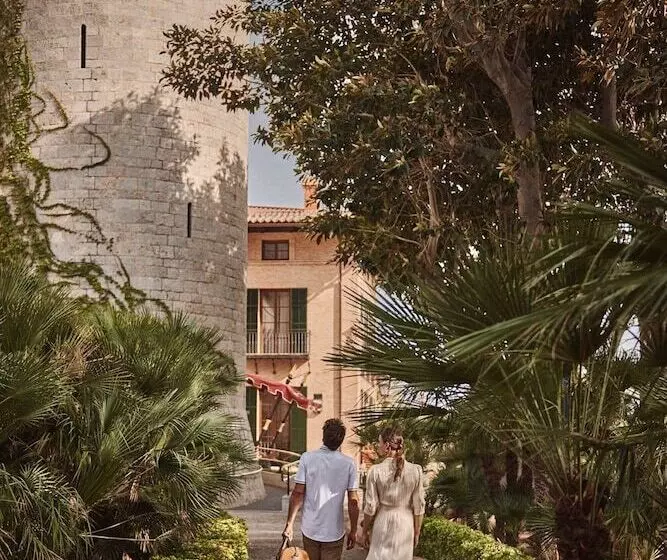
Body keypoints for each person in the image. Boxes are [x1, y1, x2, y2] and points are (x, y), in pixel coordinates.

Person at [283, 418, 360, 560]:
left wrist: (289, 524)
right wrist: (353, 530)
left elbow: (298, 493)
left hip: (310, 528)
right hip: (334, 531)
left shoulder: (307, 458)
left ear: (323, 437)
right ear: (341, 440)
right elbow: (353, 501)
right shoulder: (349, 464)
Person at [361, 426, 425, 560]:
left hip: (383, 522)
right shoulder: (416, 470)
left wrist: (365, 530)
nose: (378, 446)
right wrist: (417, 532)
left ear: (386, 446)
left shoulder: (375, 471)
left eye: (379, 442)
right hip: (406, 525)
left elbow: (371, 506)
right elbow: (419, 505)